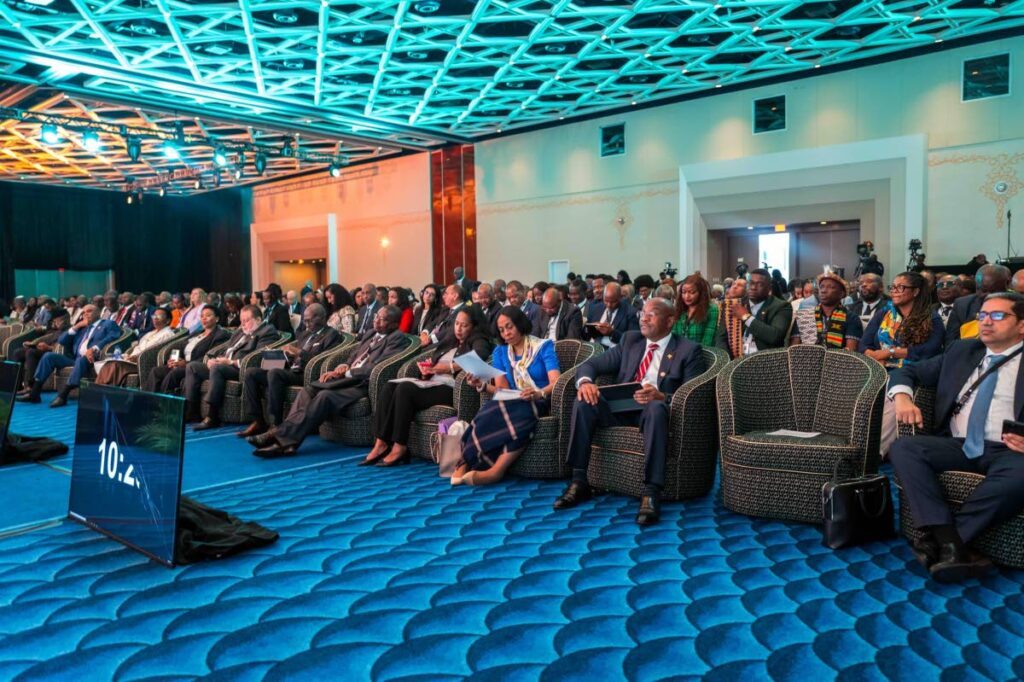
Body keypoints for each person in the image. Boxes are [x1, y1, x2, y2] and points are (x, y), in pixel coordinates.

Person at [889, 292, 1024, 582]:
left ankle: (944, 541)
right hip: (958, 444)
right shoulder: (963, 351)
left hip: (1010, 450)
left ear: (1022, 325)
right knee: (904, 448)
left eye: (998, 316)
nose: (986, 322)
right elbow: (908, 372)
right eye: (983, 316)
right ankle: (950, 540)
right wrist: (902, 398)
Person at [553, 298, 705, 525]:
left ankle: (651, 492)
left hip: (655, 412)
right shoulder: (630, 341)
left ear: (670, 320)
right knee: (584, 401)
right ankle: (579, 480)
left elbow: (695, 395)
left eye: (651, 314)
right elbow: (591, 365)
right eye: (642, 313)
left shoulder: (688, 350)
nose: (643, 318)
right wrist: (585, 382)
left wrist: (663, 396)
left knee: (654, 408)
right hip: (620, 408)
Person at [249, 305, 409, 457]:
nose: (376, 320)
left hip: (362, 384)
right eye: (376, 317)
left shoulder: (397, 338)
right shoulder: (370, 333)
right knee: (309, 390)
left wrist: (348, 372)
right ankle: (288, 442)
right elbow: (354, 354)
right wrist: (343, 365)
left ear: (394, 324)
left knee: (324, 396)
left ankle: (278, 437)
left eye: (382, 319)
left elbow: (376, 368)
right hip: (346, 378)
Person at [363, 307, 493, 467]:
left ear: (474, 326)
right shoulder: (450, 340)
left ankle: (400, 446)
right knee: (389, 387)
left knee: (405, 390)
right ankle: (381, 443)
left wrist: (449, 368)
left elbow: (480, 354)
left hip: (450, 388)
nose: (458, 329)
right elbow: (434, 360)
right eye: (457, 324)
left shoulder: (478, 339)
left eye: (464, 325)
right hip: (432, 382)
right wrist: (427, 371)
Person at [454, 306, 561, 486]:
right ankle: (465, 461)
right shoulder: (501, 352)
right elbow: (502, 390)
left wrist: (537, 393)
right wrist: (482, 386)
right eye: (502, 330)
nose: (506, 333)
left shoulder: (543, 347)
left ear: (520, 324)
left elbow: (556, 382)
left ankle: (496, 471)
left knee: (520, 414)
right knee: (487, 409)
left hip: (538, 400)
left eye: (509, 327)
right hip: (512, 399)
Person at [238, 303, 341, 438]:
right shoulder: (305, 335)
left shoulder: (331, 335)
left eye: (310, 320)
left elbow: (321, 360)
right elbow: (293, 355)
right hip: (290, 368)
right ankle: (257, 420)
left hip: (306, 374)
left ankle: (275, 424)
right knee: (251, 373)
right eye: (305, 320)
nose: (307, 323)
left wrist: (298, 352)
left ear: (322, 318)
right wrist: (283, 355)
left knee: (274, 373)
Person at [185, 305, 279, 429]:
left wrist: (231, 362)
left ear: (258, 320)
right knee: (193, 367)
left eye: (246, 321)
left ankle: (212, 416)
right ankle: (191, 411)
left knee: (217, 369)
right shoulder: (240, 331)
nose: (243, 324)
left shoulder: (267, 332)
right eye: (241, 321)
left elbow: (258, 357)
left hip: (240, 368)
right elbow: (227, 349)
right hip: (225, 364)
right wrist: (214, 359)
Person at [18, 304, 122, 407]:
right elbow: (61, 341)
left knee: (82, 359)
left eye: (89, 311)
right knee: (49, 356)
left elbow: (113, 336)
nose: (85, 314)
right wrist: (77, 326)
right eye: (83, 312)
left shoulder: (108, 324)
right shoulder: (82, 328)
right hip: (75, 359)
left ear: (98, 312)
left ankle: (63, 395)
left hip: (93, 359)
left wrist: (94, 348)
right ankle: (35, 393)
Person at [144, 306, 230, 394]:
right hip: (181, 363)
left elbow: (210, 355)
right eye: (202, 316)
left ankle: (163, 404)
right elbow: (181, 346)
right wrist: (174, 360)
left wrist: (186, 364)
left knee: (174, 373)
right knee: (156, 371)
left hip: (195, 367)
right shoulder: (197, 333)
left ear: (217, 318)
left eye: (208, 315)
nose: (204, 318)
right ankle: (148, 402)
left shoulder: (220, 335)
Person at [716, 268, 793, 359]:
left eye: (759, 284)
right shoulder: (735, 304)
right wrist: (728, 361)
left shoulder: (782, 306)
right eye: (750, 283)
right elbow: (721, 338)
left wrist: (746, 317)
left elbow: (774, 336)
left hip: (766, 362)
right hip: (735, 361)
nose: (753, 287)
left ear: (769, 288)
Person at [95, 308, 177, 387]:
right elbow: (138, 347)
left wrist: (137, 357)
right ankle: (100, 390)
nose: (155, 318)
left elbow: (156, 352)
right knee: (108, 363)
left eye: (159, 316)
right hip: (131, 360)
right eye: (154, 316)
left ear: (168, 320)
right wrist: (128, 355)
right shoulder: (150, 333)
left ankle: (104, 391)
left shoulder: (168, 334)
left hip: (143, 363)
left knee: (114, 365)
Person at [790, 273, 862, 350]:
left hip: (838, 360)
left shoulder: (851, 318)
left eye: (831, 287)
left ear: (842, 293)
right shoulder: (804, 316)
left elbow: (851, 351)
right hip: (807, 360)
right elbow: (794, 348)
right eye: (821, 287)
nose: (823, 290)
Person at [945, 264, 1011, 344]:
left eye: (993, 291)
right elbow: (951, 342)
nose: (988, 296)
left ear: (1007, 284)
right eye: (983, 290)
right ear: (976, 286)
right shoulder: (962, 305)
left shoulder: (1019, 304)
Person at [583, 281, 638, 348]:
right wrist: (588, 328)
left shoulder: (631, 312)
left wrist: (612, 333)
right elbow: (585, 334)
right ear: (603, 296)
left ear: (620, 297)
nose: (609, 305)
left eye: (613, 302)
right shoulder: (595, 308)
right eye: (606, 300)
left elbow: (633, 340)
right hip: (592, 347)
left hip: (614, 351)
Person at [673, 275, 719, 346]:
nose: (687, 296)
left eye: (692, 292)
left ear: (701, 293)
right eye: (684, 292)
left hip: (701, 353)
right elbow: (674, 335)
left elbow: (708, 340)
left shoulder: (711, 309)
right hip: (679, 353)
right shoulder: (678, 309)